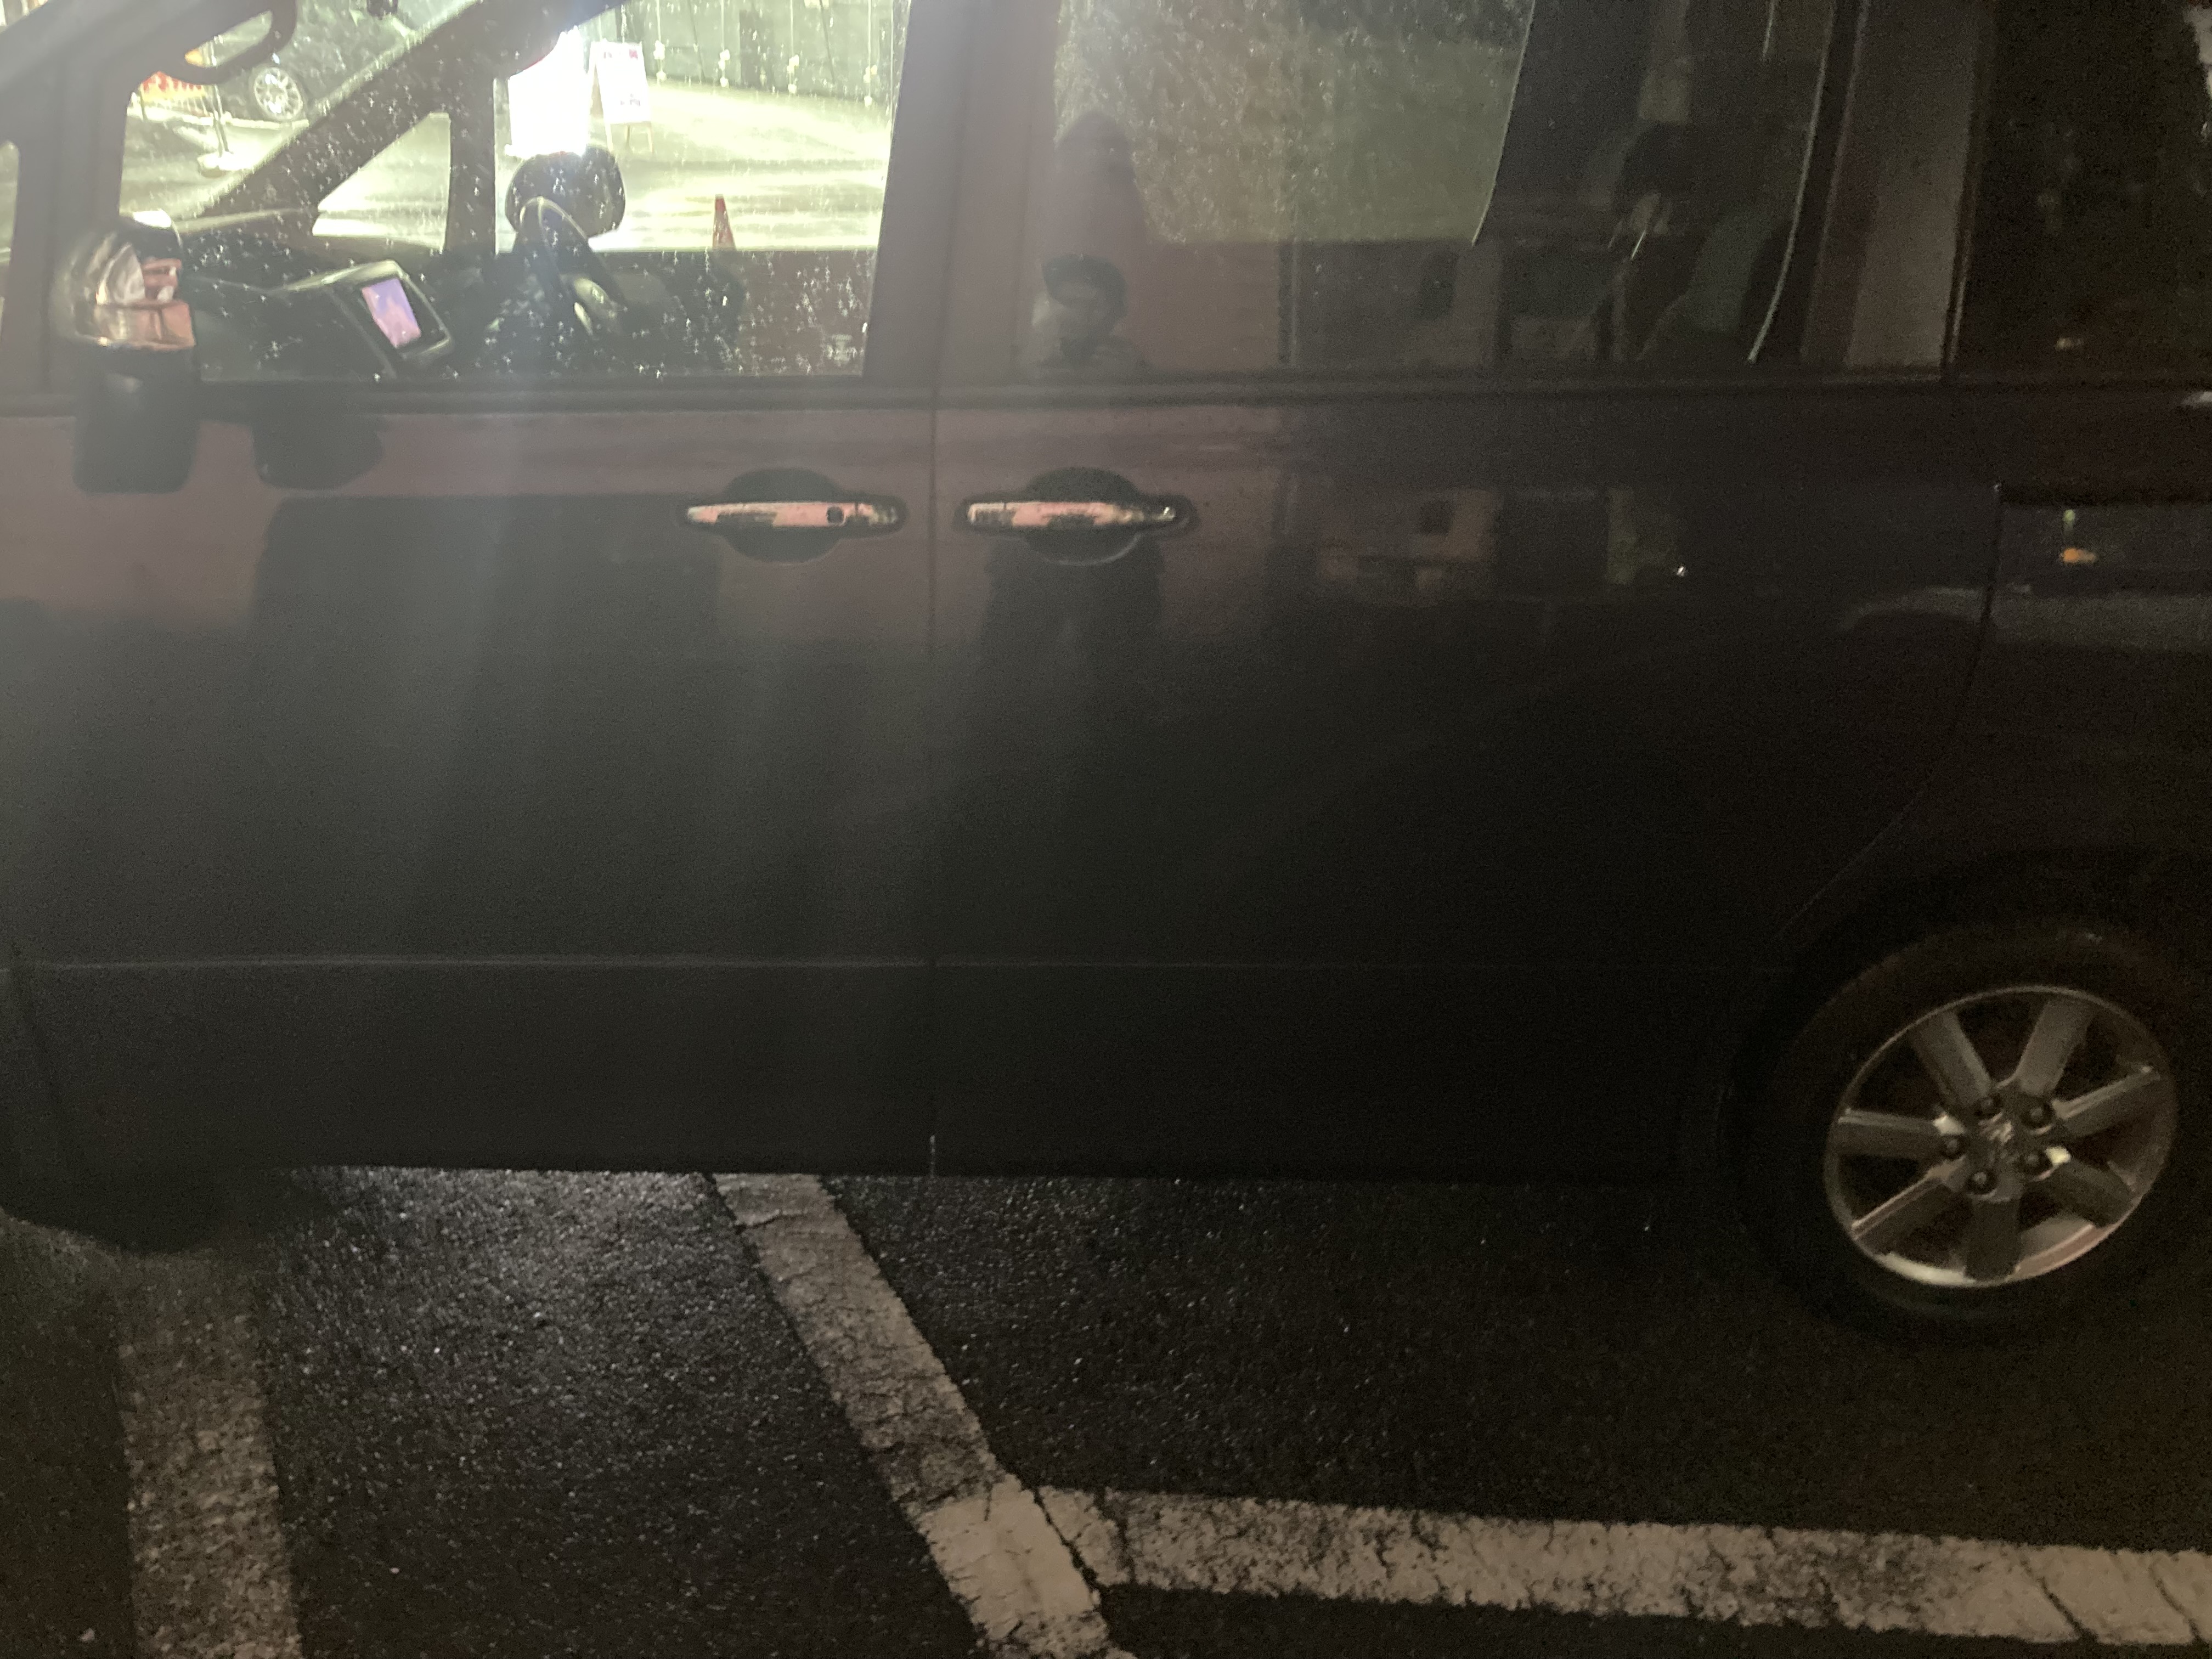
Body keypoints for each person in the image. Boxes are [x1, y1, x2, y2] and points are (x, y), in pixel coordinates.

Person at [1024, 253, 1146, 380]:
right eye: (1069, 304)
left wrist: (1125, 377)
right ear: (1048, 308)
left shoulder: (1132, 369)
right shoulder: (1029, 361)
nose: (1080, 317)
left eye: (1094, 306)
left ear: (1116, 313)